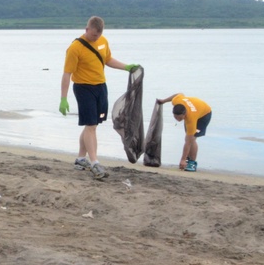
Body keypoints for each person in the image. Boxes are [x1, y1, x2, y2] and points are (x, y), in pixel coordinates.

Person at [59, 16, 139, 180]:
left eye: (97, 36)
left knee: (92, 124)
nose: (95, 38)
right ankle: (94, 162)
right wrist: (63, 98)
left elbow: (107, 59)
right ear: (87, 29)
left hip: (101, 87)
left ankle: (81, 159)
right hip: (83, 88)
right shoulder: (75, 48)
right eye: (93, 35)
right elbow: (67, 73)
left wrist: (126, 67)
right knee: (91, 125)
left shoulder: (103, 41)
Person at [157, 93, 212, 172]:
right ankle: (187, 158)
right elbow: (179, 94)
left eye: (180, 117)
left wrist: (182, 159)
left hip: (204, 114)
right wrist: (164, 101)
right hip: (196, 106)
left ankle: (192, 163)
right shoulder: (176, 101)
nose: (177, 119)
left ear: (184, 114)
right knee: (188, 137)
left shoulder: (191, 119)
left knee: (191, 139)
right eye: (175, 117)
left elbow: (188, 142)